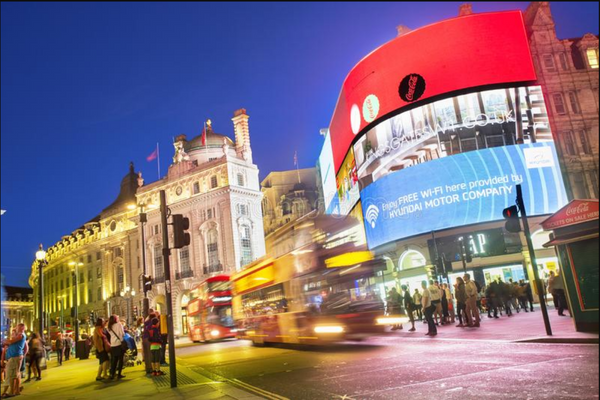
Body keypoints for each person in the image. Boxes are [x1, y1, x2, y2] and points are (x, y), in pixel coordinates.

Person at [3, 324, 27, 397]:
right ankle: (16, 391)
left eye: (17, 327)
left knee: (12, 375)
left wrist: (6, 341)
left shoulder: (21, 335)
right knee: (15, 374)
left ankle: (11, 392)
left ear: (21, 328)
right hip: (14, 357)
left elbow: (11, 341)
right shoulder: (19, 335)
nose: (16, 328)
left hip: (15, 357)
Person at [107, 315, 126, 380]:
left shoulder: (109, 326)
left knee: (114, 360)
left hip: (113, 344)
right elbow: (122, 333)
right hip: (119, 343)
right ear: (115, 319)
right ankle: (119, 374)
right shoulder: (119, 324)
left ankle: (112, 374)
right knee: (121, 359)